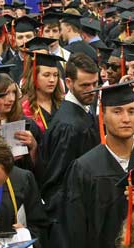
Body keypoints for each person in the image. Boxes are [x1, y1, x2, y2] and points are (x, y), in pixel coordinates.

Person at [52, 81, 134, 248]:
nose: (126, 119)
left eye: (131, 111)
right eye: (117, 112)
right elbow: (75, 234)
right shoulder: (85, 167)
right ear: (103, 116)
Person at [39, 53, 100, 211]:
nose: (92, 90)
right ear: (69, 82)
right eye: (85, 85)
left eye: (95, 84)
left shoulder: (85, 109)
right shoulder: (68, 126)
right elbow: (58, 180)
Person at [21, 52, 65, 133]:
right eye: (46, 75)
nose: (52, 80)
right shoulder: (25, 107)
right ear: (34, 76)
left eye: (55, 75)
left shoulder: (63, 103)